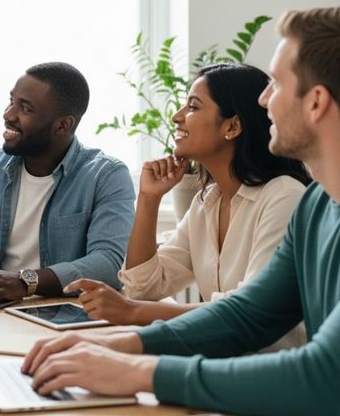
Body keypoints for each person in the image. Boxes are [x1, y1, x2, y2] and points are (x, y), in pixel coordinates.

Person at [22, 7, 340, 416]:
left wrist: (139, 371)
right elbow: (247, 316)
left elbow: (326, 377)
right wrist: (120, 345)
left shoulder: (290, 199)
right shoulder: (318, 205)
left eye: (277, 84)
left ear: (316, 102)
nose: (265, 99)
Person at [67, 64, 310, 334]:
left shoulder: (284, 197)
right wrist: (149, 198)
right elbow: (142, 288)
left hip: (272, 367)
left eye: (193, 107)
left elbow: (251, 309)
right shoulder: (206, 203)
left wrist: (134, 312)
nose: (176, 117)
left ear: (233, 126)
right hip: (219, 358)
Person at [0, 62, 135, 305]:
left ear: (62, 125)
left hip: (62, 313)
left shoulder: (106, 176)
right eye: (11, 101)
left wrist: (26, 281)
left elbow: (107, 264)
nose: (8, 115)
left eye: (25, 108)